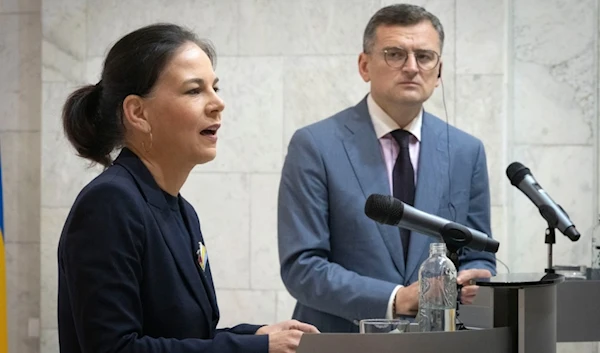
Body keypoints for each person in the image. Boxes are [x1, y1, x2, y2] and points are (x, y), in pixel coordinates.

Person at [57, 23, 318, 353]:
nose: (217, 104)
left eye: (215, 87)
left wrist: (256, 335)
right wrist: (256, 349)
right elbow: (116, 348)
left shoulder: (181, 211)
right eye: (194, 91)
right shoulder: (109, 203)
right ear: (138, 112)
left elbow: (189, 335)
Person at [277, 4, 497, 333]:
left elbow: (479, 254)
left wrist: (475, 277)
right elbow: (302, 267)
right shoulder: (315, 145)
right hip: (342, 340)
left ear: (438, 72)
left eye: (424, 57)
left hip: (437, 342)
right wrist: (396, 299)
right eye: (395, 54)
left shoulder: (466, 151)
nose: (411, 67)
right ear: (364, 65)